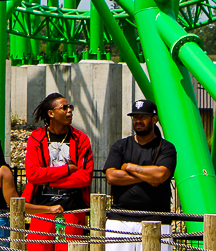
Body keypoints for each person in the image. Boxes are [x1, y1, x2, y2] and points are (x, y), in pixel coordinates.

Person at [104, 99, 177, 251]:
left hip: (157, 220)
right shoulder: (120, 145)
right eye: (135, 117)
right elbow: (111, 177)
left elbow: (160, 175)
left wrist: (129, 167)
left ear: (154, 119)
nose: (138, 121)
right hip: (120, 219)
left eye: (143, 117)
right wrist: (147, 176)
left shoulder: (166, 148)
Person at [24, 93, 93, 251]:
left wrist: (46, 179)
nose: (69, 111)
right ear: (51, 113)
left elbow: (85, 177)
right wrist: (67, 169)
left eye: (70, 108)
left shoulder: (81, 139)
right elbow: (32, 174)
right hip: (42, 207)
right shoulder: (36, 138)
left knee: (71, 248)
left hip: (73, 208)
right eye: (64, 108)